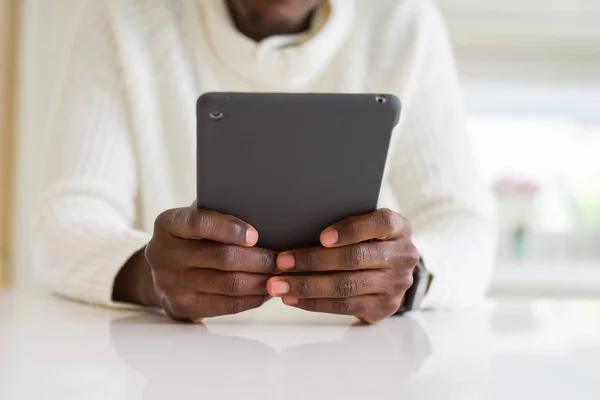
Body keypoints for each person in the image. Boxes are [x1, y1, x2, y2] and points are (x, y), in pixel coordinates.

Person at [33, 0, 496, 324]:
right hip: (183, 357)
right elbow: (65, 221)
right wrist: (148, 277)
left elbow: (465, 225)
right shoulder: (124, 14)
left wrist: (409, 278)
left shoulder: (403, 21)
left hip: (359, 361)